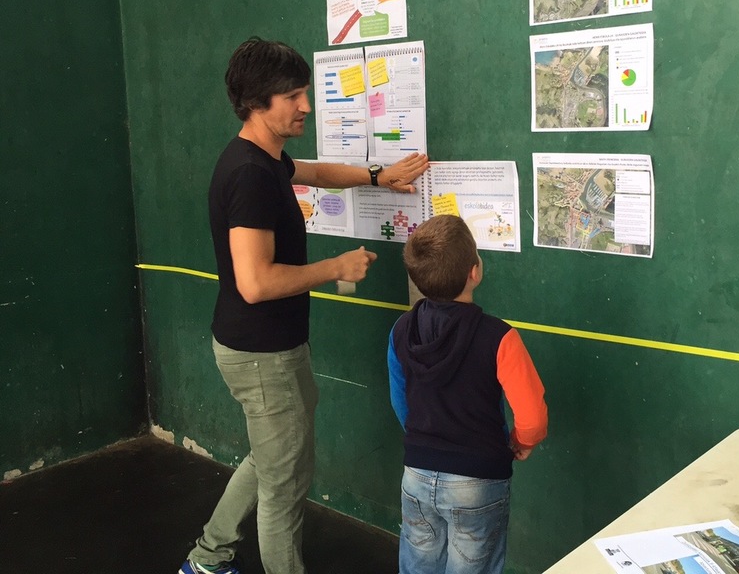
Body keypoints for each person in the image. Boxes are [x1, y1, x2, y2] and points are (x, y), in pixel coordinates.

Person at [179, 37, 429, 574]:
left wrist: (378, 176)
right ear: (257, 103)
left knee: (273, 461)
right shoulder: (249, 175)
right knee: (284, 483)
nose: (306, 106)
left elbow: (313, 172)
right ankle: (213, 559)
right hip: (260, 352)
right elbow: (254, 282)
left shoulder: (264, 159)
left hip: (269, 346)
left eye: (305, 92)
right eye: (292, 96)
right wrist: (335, 267)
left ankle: (207, 558)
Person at [387, 215, 548, 574]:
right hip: (478, 479)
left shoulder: (401, 330)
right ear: (475, 271)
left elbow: (401, 402)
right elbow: (533, 417)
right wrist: (522, 441)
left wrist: (426, 440)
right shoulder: (500, 337)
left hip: (417, 473)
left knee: (417, 566)